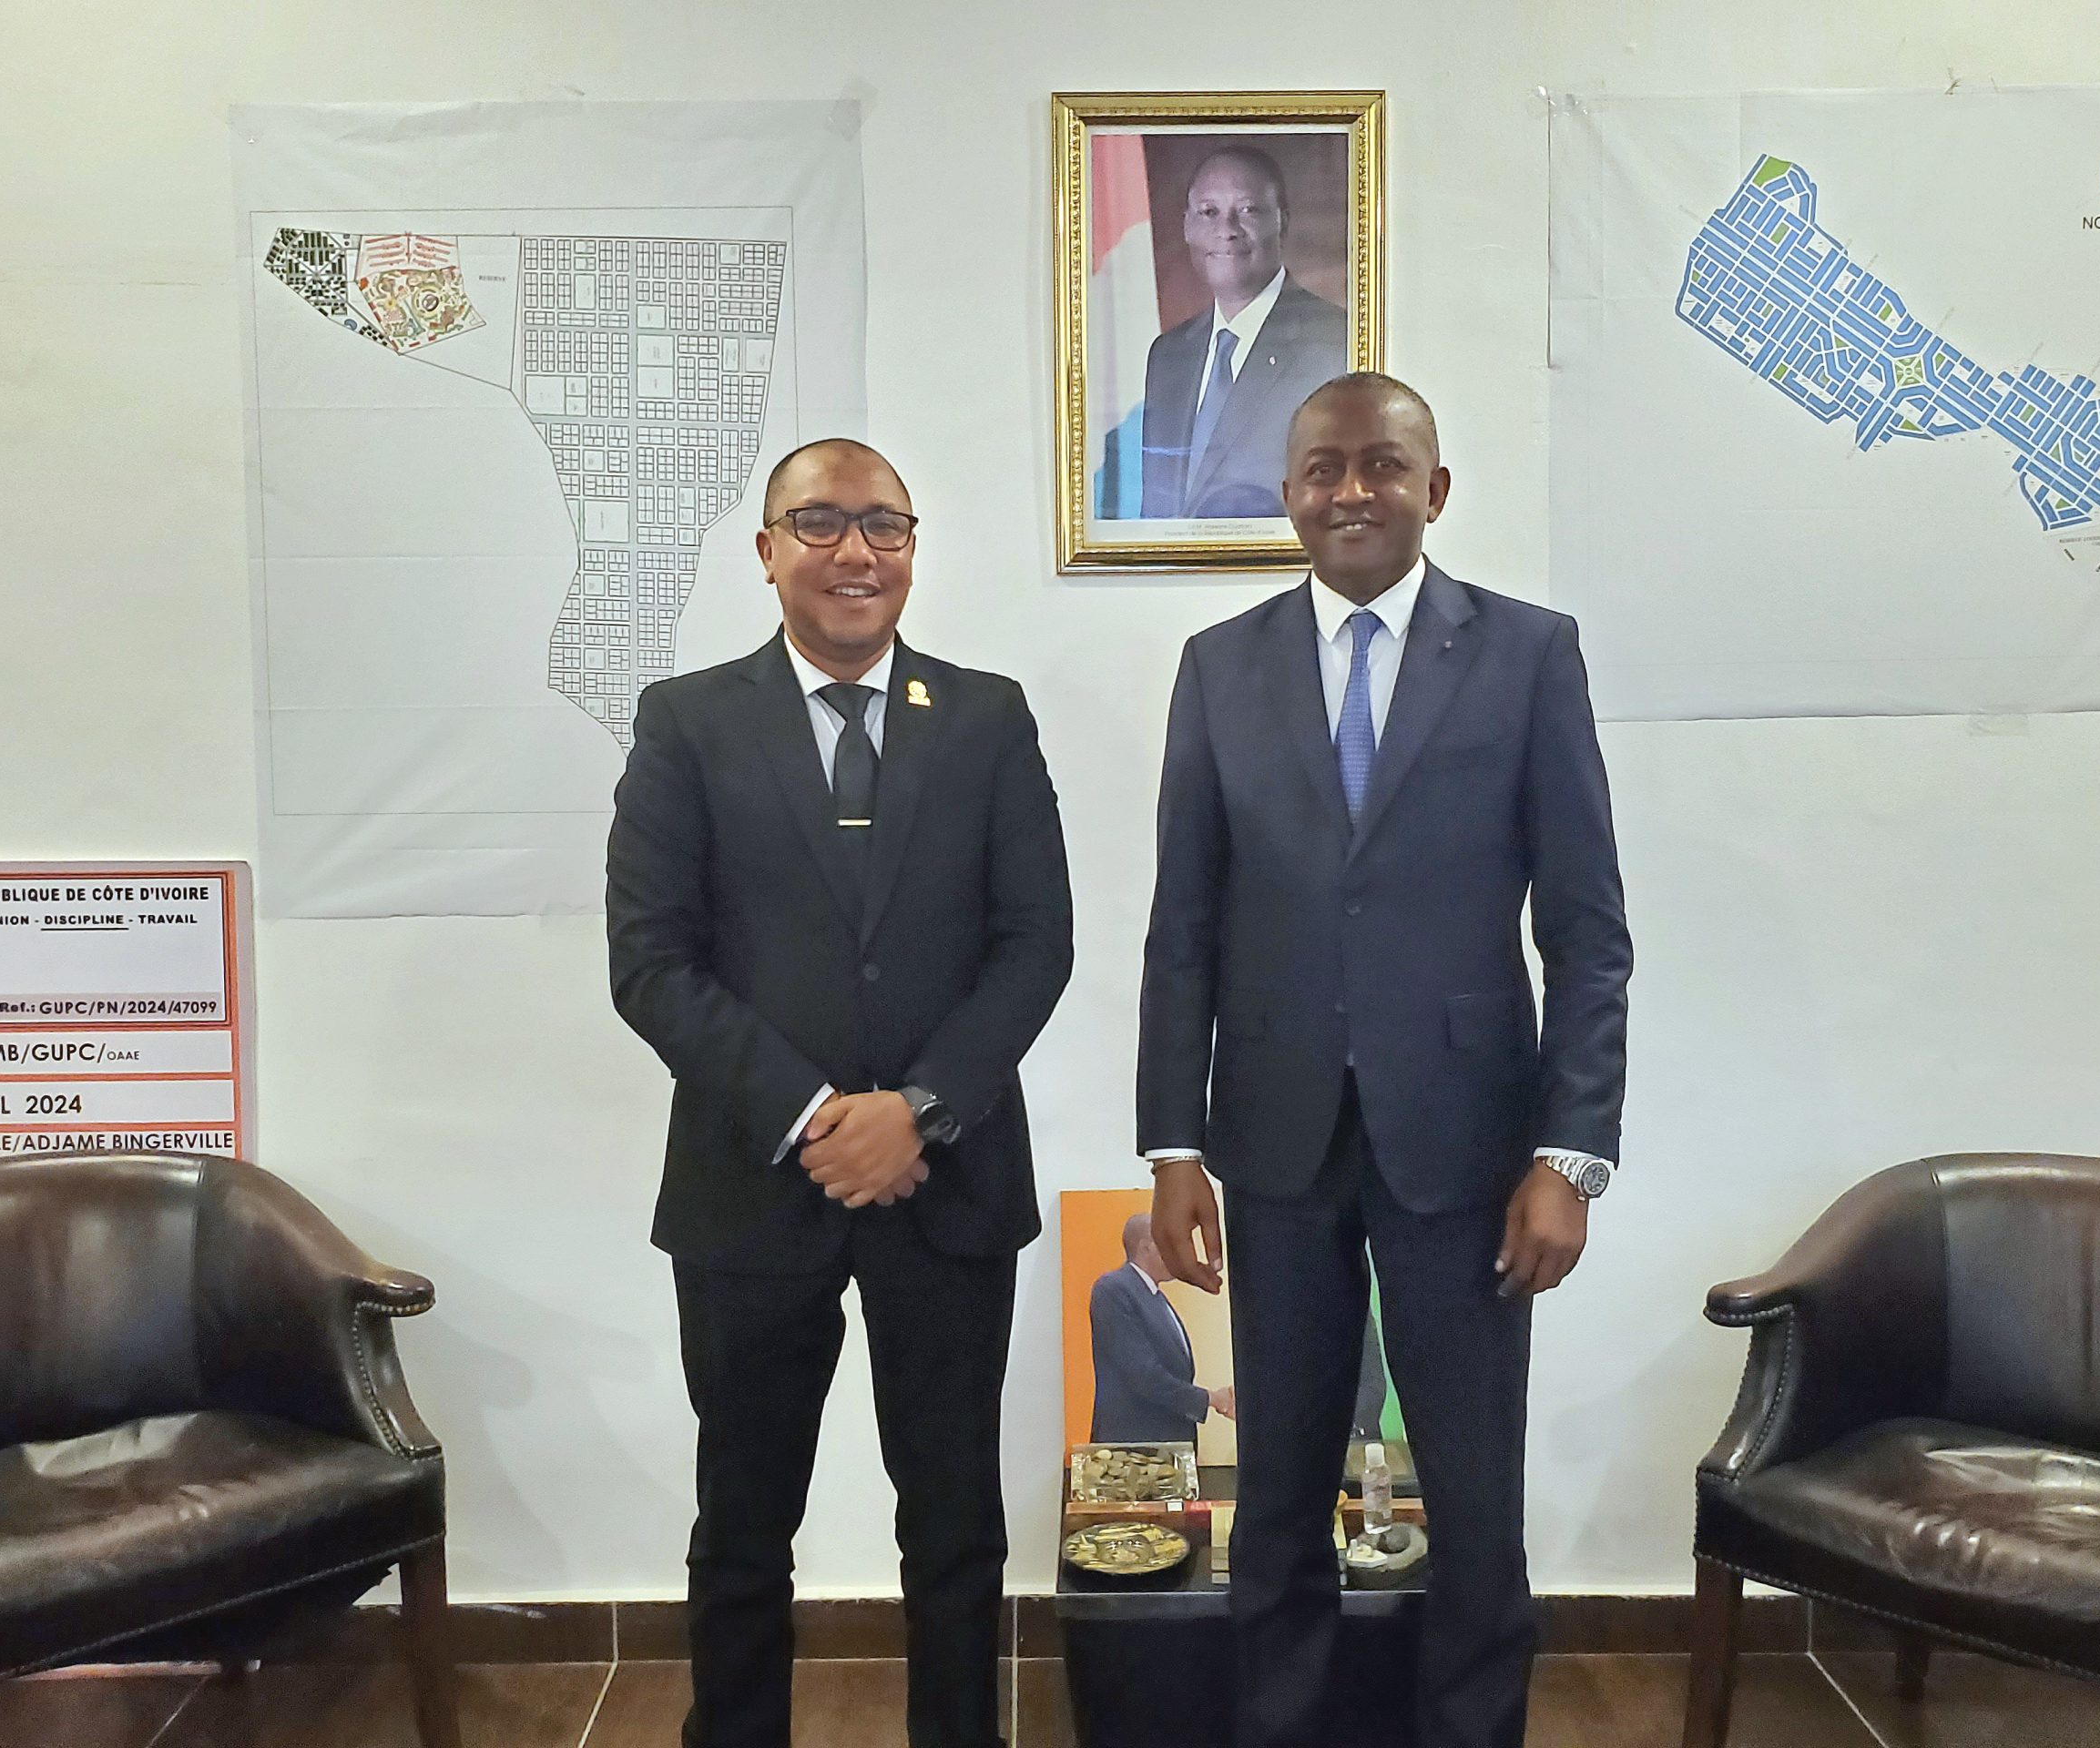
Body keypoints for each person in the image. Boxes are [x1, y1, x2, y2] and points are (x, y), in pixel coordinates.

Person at [1137, 373, 1631, 1748]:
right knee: (1278, 1492)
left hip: (1470, 1147)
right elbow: (1183, 928)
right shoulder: (1220, 666)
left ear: (1434, 489)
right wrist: (1173, 1146)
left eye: (1382, 466)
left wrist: (1571, 1154)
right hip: (1275, 1140)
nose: (1351, 491)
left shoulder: (1528, 654)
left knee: (1473, 1495)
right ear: (1286, 491)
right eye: (1322, 468)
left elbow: (1587, 931)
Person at [607, 438, 1074, 1748]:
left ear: (913, 550)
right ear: (766, 551)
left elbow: (1035, 945)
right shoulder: (688, 722)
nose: (854, 551)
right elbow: (649, 963)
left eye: (884, 525)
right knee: (744, 1520)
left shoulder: (985, 718)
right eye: (819, 523)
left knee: (955, 1521)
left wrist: (915, 1110)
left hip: (951, 1182)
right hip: (751, 1190)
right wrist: (819, 1117)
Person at [1138, 146, 1348, 521]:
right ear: (1187, 226)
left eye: (1248, 210)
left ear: (1282, 221)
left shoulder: (1335, 341)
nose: (1227, 230)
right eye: (1209, 212)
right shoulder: (1168, 355)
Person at [1088, 1212, 1234, 1445]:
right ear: (1146, 1247)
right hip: (1136, 1448)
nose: (1178, 1254)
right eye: (1170, 1244)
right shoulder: (1114, 1290)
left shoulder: (1155, 1297)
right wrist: (1211, 1399)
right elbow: (1143, 1374)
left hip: (1167, 1444)